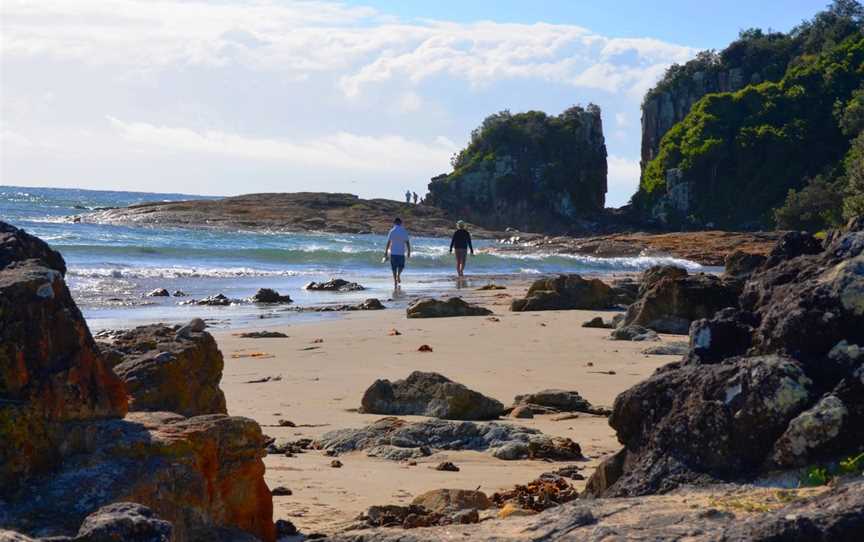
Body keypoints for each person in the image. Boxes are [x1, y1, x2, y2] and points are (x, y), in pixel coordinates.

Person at [384, 217, 411, 287]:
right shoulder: (403, 231)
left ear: (394, 223)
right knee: (401, 267)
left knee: (394, 268)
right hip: (401, 253)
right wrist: (409, 252)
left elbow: (388, 242)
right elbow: (407, 242)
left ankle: (395, 279)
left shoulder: (392, 231)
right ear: (400, 223)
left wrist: (386, 252)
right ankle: (397, 276)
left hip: (393, 253)